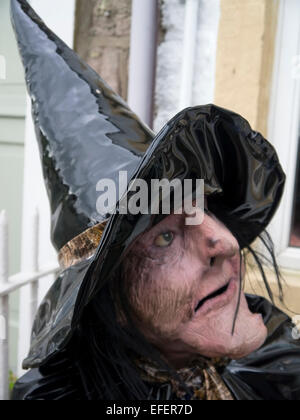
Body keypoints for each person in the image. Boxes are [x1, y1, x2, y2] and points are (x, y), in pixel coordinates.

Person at [11, 0, 300, 400]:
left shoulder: (275, 357)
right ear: (111, 304)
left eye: (204, 206)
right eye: (164, 237)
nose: (228, 244)